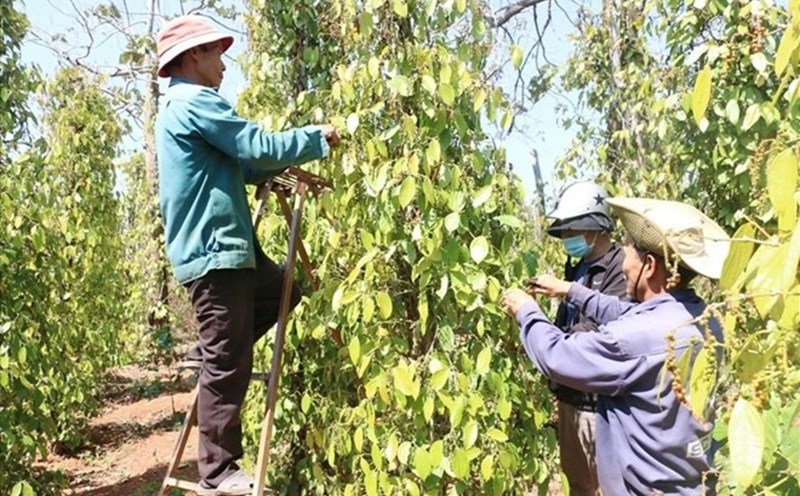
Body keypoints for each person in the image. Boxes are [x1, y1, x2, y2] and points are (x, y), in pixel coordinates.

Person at [154, 15, 340, 496]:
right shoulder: (193, 102)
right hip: (215, 252)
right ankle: (217, 471)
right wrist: (316, 137)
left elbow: (249, 162)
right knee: (227, 361)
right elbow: (254, 144)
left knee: (283, 289)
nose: (223, 64)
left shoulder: (187, 107)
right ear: (194, 56)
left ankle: (214, 349)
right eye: (216, 53)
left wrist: (280, 164)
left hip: (232, 251)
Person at [502, 198, 730, 495]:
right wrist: (570, 290)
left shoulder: (634, 340)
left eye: (628, 252)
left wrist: (527, 311)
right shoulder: (706, 320)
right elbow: (629, 314)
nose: (622, 261)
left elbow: (556, 357)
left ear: (648, 266)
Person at [542, 181, 627, 496]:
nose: (567, 239)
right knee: (579, 485)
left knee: (609, 486)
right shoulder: (578, 267)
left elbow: (597, 336)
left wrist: (541, 334)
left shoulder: (620, 268)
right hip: (571, 399)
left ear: (596, 227)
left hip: (599, 405)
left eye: (572, 231)